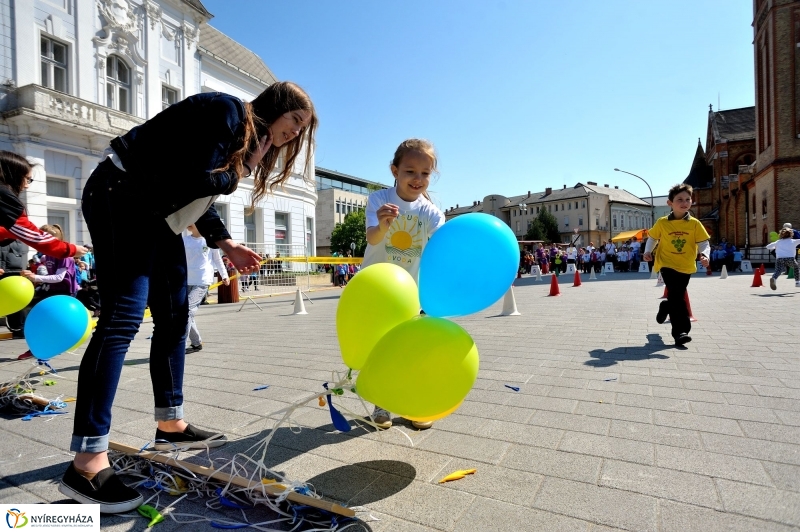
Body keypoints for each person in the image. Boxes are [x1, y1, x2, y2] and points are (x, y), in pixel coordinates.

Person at [59, 82, 317, 513]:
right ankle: (86, 462)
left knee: (177, 315)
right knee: (122, 317)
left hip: (154, 213)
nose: (294, 134)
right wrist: (239, 172)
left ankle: (171, 423)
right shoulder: (227, 111)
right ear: (276, 107)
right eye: (295, 121)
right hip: (120, 196)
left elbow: (194, 194)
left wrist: (226, 243)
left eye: (301, 129)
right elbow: (187, 179)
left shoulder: (238, 134)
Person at [361, 138, 445, 431]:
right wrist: (383, 226)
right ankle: (382, 402)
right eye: (410, 171)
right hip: (378, 287)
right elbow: (372, 238)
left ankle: (415, 404)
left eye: (425, 173)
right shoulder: (378, 200)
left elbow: (443, 246)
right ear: (394, 170)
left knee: (414, 348)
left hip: (413, 291)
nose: (418, 179)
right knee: (382, 347)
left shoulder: (432, 212)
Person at [643, 184, 710, 346]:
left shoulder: (694, 224)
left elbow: (703, 242)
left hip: (686, 265)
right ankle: (680, 331)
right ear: (670, 203)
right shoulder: (662, 222)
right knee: (677, 296)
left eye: (688, 199)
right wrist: (648, 251)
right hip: (666, 263)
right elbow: (652, 238)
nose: (684, 202)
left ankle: (666, 305)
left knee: (676, 295)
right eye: (679, 199)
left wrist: (705, 254)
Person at [183, 223, 229, 353]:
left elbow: (217, 260)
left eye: (193, 220)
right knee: (185, 313)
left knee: (187, 311)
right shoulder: (184, 241)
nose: (189, 223)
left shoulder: (210, 241)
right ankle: (196, 343)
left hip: (202, 281)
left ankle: (178, 345)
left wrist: (224, 274)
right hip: (186, 280)